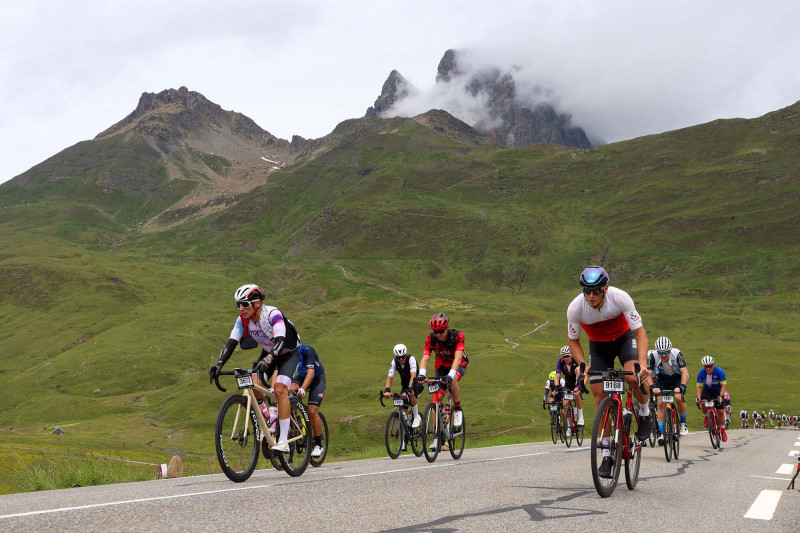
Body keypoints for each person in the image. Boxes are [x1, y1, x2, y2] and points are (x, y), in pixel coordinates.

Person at [567, 266, 651, 478]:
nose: (591, 296)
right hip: (599, 347)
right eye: (587, 291)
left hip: (624, 340)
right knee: (599, 393)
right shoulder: (575, 308)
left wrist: (642, 363)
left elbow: (640, 333)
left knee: (632, 376)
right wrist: (582, 364)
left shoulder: (620, 297)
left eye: (596, 291)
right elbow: (573, 341)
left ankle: (644, 412)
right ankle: (606, 454)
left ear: (605, 289)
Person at [208, 284, 301, 453]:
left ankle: (283, 441)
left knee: (280, 390)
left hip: (289, 353)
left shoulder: (272, 314)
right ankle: (269, 419)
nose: (241, 308)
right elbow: (231, 344)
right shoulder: (242, 320)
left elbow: (280, 340)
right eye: (238, 304)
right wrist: (219, 364)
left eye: (244, 304)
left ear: (257, 303)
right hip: (268, 354)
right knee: (251, 381)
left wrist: (270, 358)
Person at [415, 313, 468, 450]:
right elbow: (425, 357)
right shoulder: (431, 338)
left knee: (453, 380)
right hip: (441, 366)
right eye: (435, 332)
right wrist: (421, 374)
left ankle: (457, 409)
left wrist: (451, 375)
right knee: (436, 399)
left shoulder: (457, 336)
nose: (438, 334)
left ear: (447, 328)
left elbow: (457, 358)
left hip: (458, 364)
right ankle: (437, 437)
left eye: (441, 331)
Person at [647, 336, 689, 441]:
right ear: (657, 352)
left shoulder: (677, 354)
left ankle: (683, 423)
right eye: (661, 353)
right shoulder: (653, 356)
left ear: (670, 350)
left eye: (666, 352)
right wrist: (652, 387)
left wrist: (682, 386)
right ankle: (662, 434)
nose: (664, 355)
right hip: (663, 379)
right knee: (660, 403)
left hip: (677, 378)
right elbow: (648, 374)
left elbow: (684, 371)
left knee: (678, 398)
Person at [290, 344, 326, 458]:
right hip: (301, 376)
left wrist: (303, 389)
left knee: (312, 411)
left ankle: (318, 444)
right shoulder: (288, 352)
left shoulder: (307, 350)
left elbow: (311, 373)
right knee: (290, 391)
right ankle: (297, 421)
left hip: (316, 379)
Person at [383, 343, 422, 430]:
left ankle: (416, 416)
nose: (401, 359)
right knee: (402, 410)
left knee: (411, 394)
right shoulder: (394, 362)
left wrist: (409, 390)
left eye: (403, 357)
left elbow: (413, 375)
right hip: (405, 385)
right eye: (398, 357)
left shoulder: (411, 359)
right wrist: (387, 390)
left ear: (406, 355)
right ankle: (405, 436)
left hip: (416, 383)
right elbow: (390, 377)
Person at [695, 355, 728, 442]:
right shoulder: (701, 373)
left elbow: (724, 385)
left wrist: (721, 396)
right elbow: (699, 387)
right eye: (706, 366)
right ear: (704, 367)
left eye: (710, 366)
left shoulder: (719, 371)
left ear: (713, 365)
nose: (708, 368)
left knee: (720, 411)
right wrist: (698, 397)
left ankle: (723, 431)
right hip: (707, 391)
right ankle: (706, 418)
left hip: (718, 391)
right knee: (703, 402)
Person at [555, 345, 585, 432]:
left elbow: (580, 375)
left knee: (576, 394)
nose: (566, 358)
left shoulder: (576, 361)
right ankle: (569, 426)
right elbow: (557, 376)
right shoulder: (560, 362)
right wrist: (557, 387)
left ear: (571, 355)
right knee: (564, 404)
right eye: (564, 356)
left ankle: (581, 417)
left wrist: (578, 387)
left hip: (577, 381)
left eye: (567, 356)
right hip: (568, 384)